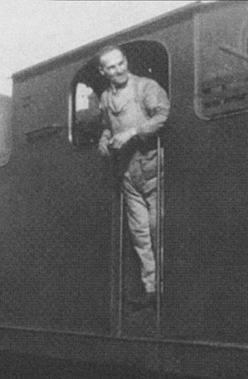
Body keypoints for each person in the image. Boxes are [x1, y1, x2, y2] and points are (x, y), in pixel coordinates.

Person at [97, 44, 170, 309]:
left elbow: (163, 114)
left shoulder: (145, 87)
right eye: (111, 67)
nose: (118, 70)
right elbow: (106, 125)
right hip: (127, 173)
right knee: (140, 234)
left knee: (157, 229)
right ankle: (152, 290)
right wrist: (104, 139)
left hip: (152, 167)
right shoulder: (105, 98)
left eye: (120, 63)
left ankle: (167, 288)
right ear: (103, 71)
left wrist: (133, 132)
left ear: (126, 61)